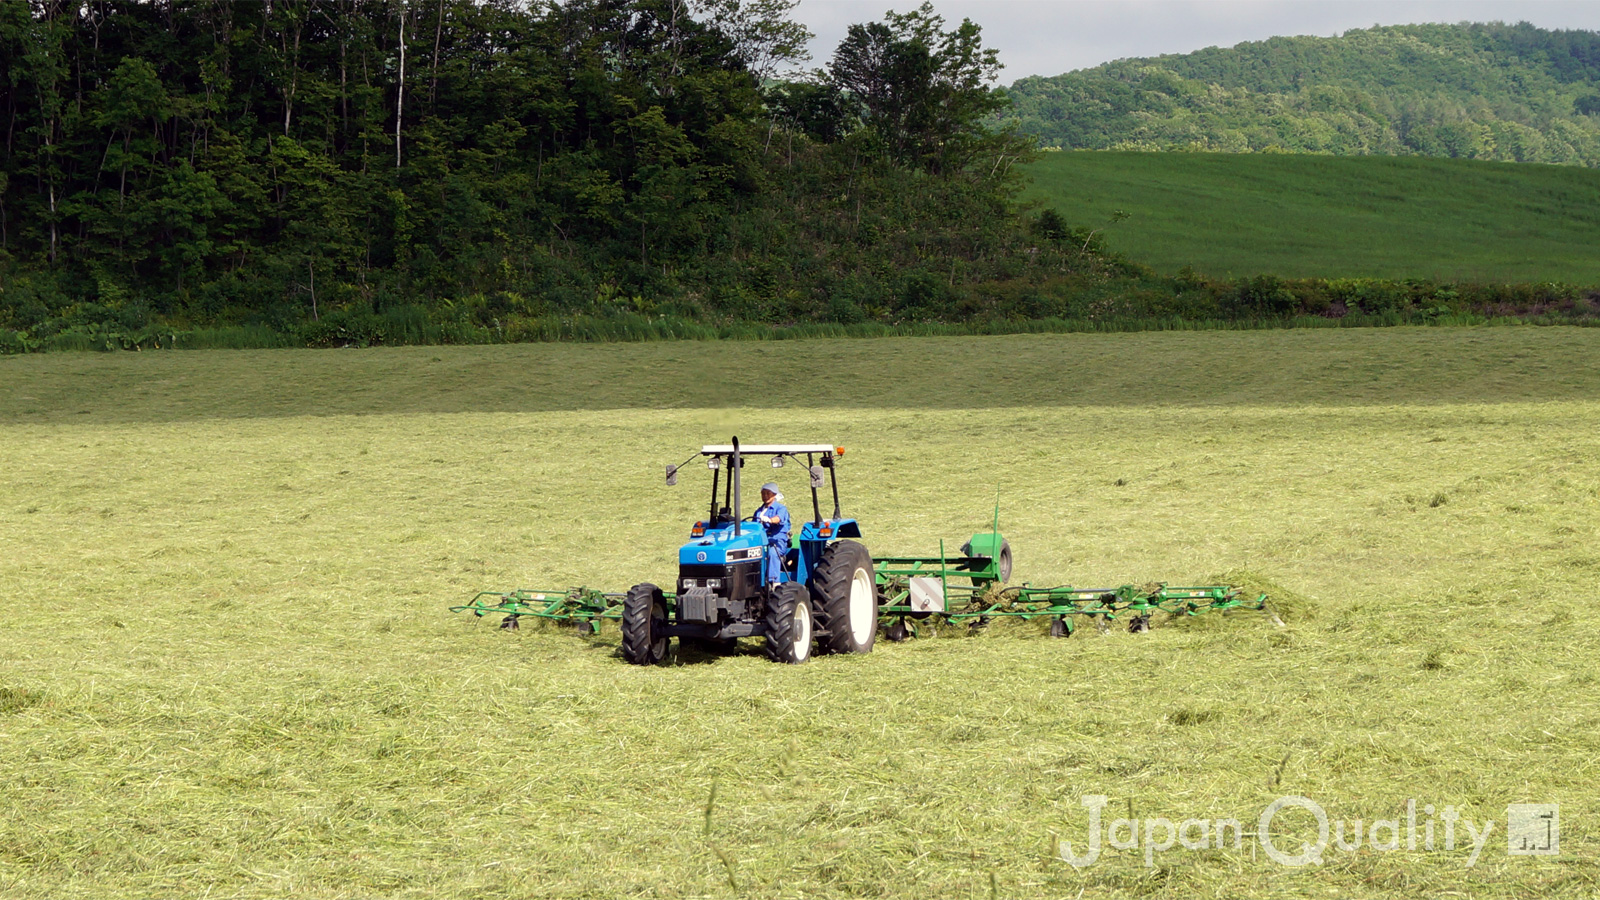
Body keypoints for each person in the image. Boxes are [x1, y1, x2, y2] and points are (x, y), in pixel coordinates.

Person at [754, 482, 790, 585]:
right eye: (763, 494)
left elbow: (778, 519)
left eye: (768, 493)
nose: (765, 496)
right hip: (762, 541)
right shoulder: (759, 511)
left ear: (774, 495)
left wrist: (769, 520)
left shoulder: (781, 509)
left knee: (773, 553)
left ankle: (773, 582)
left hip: (777, 541)